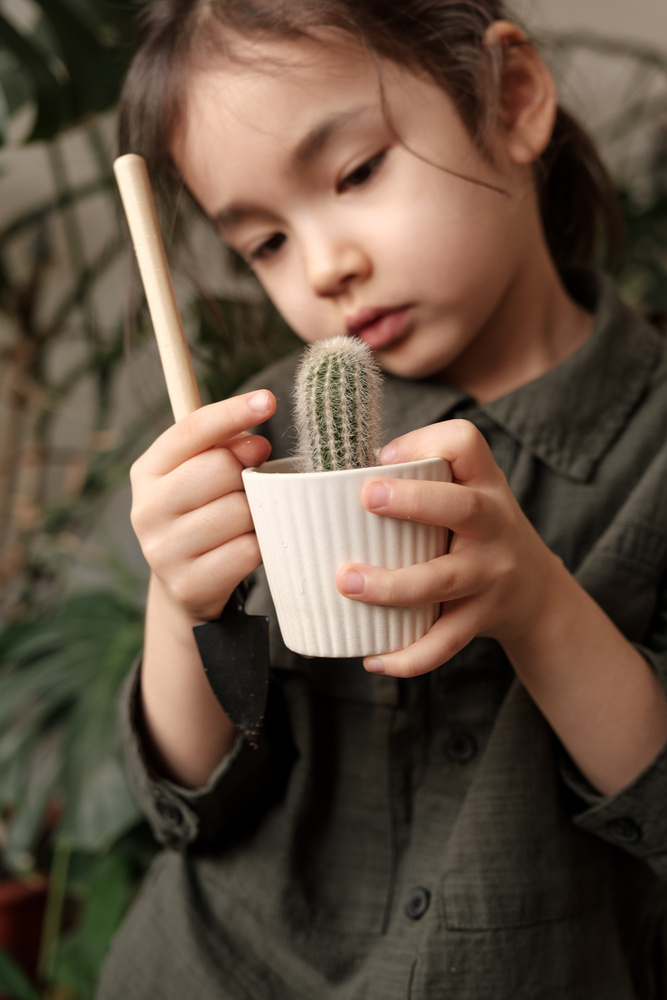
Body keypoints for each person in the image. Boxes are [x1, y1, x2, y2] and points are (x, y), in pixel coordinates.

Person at [98, 1, 667, 997]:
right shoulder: (258, 436)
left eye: (357, 172)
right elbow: (186, 801)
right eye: (265, 243)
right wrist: (179, 599)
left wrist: (540, 607)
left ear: (514, 100)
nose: (325, 266)